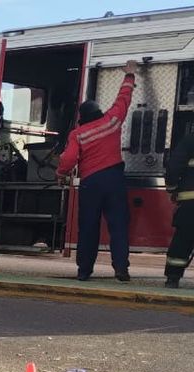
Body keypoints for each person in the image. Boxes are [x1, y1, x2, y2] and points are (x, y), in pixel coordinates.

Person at [58, 60, 138, 282]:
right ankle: (121, 269)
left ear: (82, 116)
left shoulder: (78, 133)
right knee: (119, 226)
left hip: (91, 182)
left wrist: (61, 174)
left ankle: (84, 271)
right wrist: (129, 76)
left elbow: (69, 158)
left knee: (88, 227)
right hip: (114, 179)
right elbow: (123, 100)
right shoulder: (111, 121)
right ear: (99, 111)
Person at [164, 131, 194, 288]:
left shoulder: (190, 140)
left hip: (191, 202)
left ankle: (173, 277)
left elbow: (174, 165)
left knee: (183, 241)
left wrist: (171, 187)